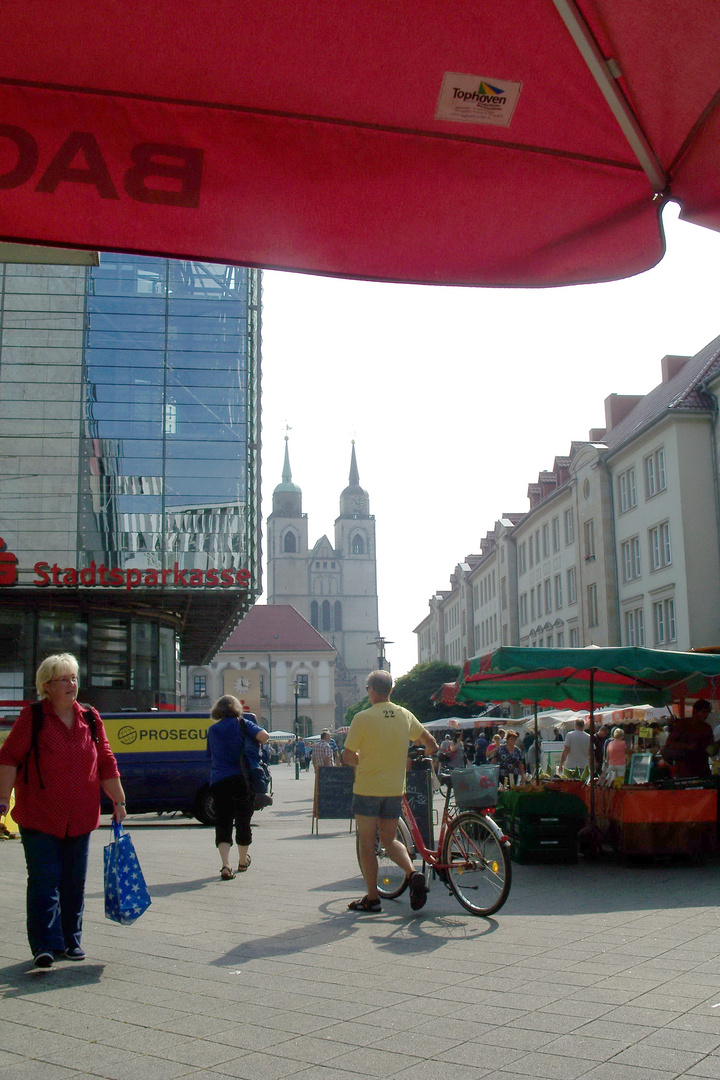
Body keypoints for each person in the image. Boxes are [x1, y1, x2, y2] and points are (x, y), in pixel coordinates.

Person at [0, 653, 126, 969]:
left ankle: (71, 941)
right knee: (44, 881)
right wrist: (2, 800)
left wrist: (119, 801)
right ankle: (44, 944)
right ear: (47, 686)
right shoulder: (33, 717)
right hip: (39, 815)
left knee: (74, 882)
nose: (71, 685)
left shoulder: (90, 717)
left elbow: (106, 760)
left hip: (81, 815)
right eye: (63, 680)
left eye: (73, 678)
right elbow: (9, 758)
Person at [342, 670, 438, 913]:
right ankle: (412, 872)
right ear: (391, 691)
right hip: (395, 788)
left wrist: (360, 759)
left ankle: (372, 898)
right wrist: (415, 757)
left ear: (371, 690)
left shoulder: (361, 718)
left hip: (367, 789)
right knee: (389, 839)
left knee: (367, 843)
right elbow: (431, 744)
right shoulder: (404, 715)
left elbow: (347, 757)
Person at [206, 695, 269, 880]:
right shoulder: (242, 724)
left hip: (218, 780)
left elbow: (210, 754)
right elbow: (264, 737)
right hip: (242, 779)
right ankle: (242, 861)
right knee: (243, 820)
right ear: (236, 708)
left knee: (223, 821)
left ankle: (225, 865)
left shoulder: (212, 730)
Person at [660, 700, 714, 779]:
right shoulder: (683, 724)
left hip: (703, 769)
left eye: (707, 713)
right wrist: (687, 746)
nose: (706, 715)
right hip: (684, 770)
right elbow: (670, 742)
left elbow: (710, 747)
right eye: (703, 712)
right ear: (695, 711)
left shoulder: (707, 727)